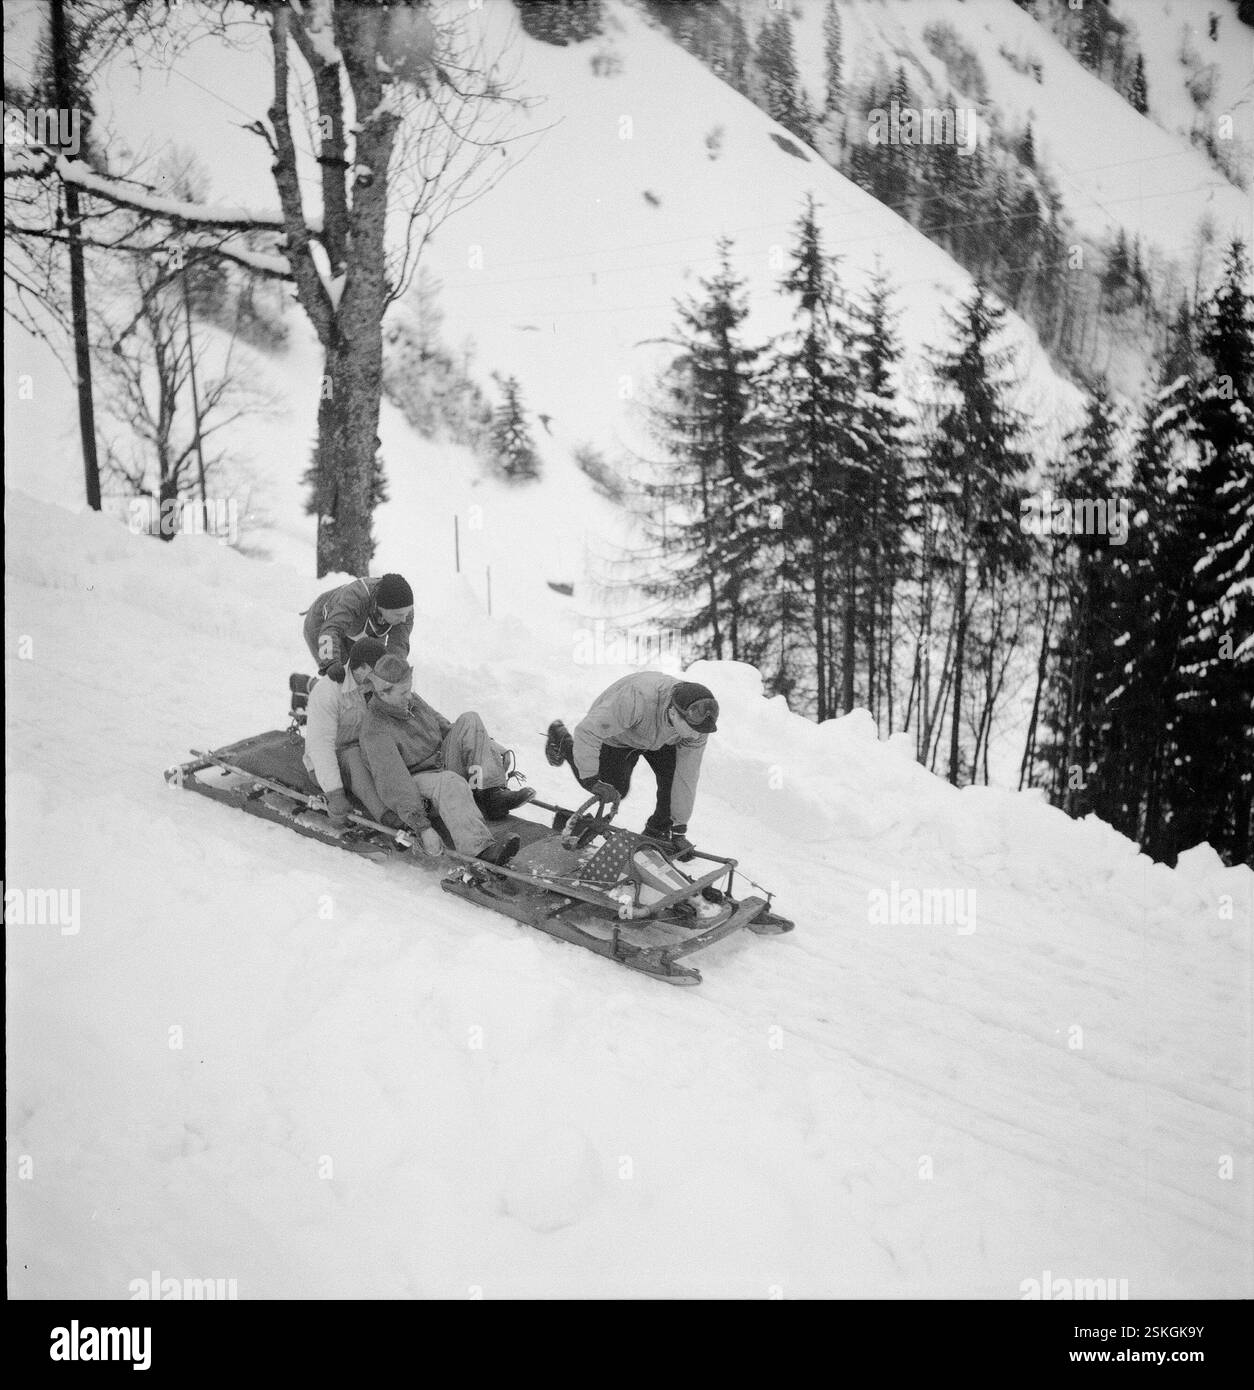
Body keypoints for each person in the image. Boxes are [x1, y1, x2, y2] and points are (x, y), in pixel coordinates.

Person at [359, 653, 531, 865]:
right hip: (418, 783)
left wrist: (483, 745)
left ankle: (491, 796)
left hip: (441, 763)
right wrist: (423, 828)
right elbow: (395, 785)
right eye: (404, 692)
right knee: (450, 782)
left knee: (470, 720)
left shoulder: (410, 702)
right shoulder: (375, 730)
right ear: (383, 693)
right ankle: (480, 851)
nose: (410, 696)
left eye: (410, 689)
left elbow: (446, 728)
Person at [545, 673, 719, 858]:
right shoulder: (636, 699)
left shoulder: (699, 726)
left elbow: (686, 776)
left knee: (673, 777)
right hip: (620, 735)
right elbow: (588, 732)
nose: (697, 734)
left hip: (665, 739)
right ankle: (563, 742)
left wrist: (679, 828)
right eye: (693, 730)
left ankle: (657, 832)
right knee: (614, 789)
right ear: (675, 712)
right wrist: (590, 779)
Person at [302, 637, 390, 830]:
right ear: (363, 669)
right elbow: (321, 745)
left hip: (363, 751)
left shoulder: (372, 687)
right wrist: (334, 794)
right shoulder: (328, 691)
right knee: (353, 756)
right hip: (330, 761)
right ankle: (386, 816)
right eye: (379, 671)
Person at [301, 573, 415, 675]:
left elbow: (398, 646)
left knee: (372, 672)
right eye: (399, 615)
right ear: (382, 607)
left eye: (407, 613)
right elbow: (332, 629)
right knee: (344, 679)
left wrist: (394, 674)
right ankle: (306, 686)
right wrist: (331, 662)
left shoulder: (403, 611)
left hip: (360, 627)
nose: (404, 619)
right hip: (323, 623)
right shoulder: (356, 597)